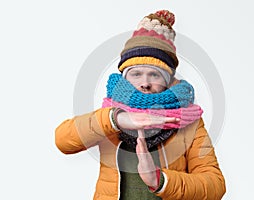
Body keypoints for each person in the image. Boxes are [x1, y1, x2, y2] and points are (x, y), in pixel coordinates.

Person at [55, 10, 226, 200]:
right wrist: (117, 119)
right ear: (125, 78)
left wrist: (159, 180)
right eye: (136, 74)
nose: (145, 83)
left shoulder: (190, 122)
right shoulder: (109, 113)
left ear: (168, 80)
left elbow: (215, 185)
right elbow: (62, 140)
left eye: (154, 74)